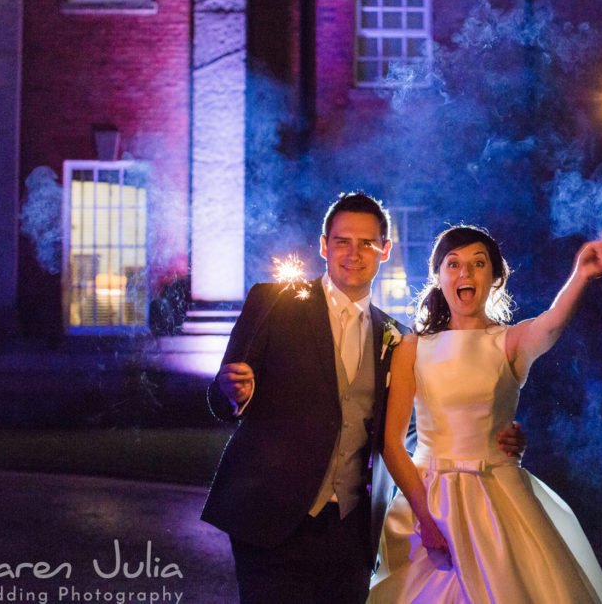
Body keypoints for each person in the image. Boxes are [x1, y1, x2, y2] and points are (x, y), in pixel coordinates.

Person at [200, 193, 525, 604]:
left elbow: (431, 418)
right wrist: (233, 394)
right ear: (324, 246)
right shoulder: (274, 303)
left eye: (367, 243)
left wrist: (500, 432)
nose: (354, 253)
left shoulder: (395, 336)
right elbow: (220, 396)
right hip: (272, 521)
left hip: (353, 534)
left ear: (384, 250)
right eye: (342, 241)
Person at [368, 225, 602, 603]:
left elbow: (551, 324)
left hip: (497, 499)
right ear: (438, 277)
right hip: (430, 500)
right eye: (453, 264)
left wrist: (581, 275)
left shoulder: (510, 341)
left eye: (478, 264)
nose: (465, 274)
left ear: (496, 277)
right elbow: (391, 443)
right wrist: (425, 518)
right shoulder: (412, 347)